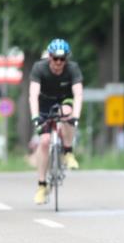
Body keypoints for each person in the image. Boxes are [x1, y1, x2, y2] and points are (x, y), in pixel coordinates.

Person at [29, 39, 84, 205]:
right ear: (49, 57)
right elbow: (33, 94)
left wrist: (76, 116)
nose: (58, 63)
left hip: (64, 100)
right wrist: (35, 116)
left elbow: (78, 95)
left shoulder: (72, 69)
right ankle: (41, 185)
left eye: (62, 59)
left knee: (68, 113)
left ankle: (68, 152)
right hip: (44, 102)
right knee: (44, 142)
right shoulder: (39, 68)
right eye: (55, 58)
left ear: (66, 59)